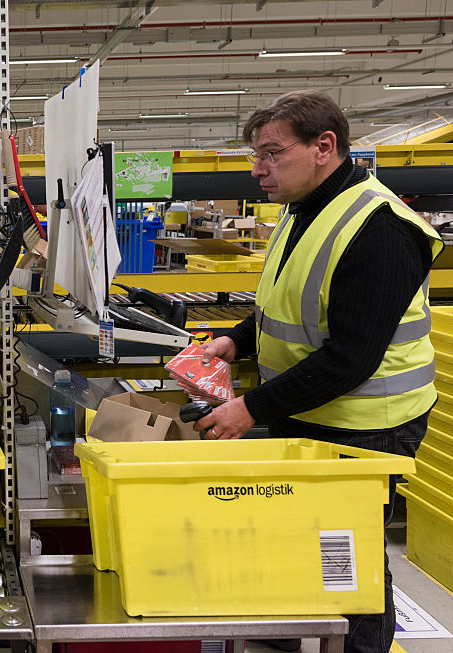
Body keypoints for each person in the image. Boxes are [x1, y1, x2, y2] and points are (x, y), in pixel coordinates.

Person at [196, 90, 442, 653]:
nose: (258, 171)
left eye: (271, 154)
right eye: (256, 156)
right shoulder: (304, 209)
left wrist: (250, 409)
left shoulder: (379, 230)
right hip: (310, 409)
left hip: (368, 422)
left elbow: (350, 359)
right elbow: (284, 304)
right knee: (294, 530)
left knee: (348, 550)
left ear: (324, 146)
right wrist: (236, 339)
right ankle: (282, 636)